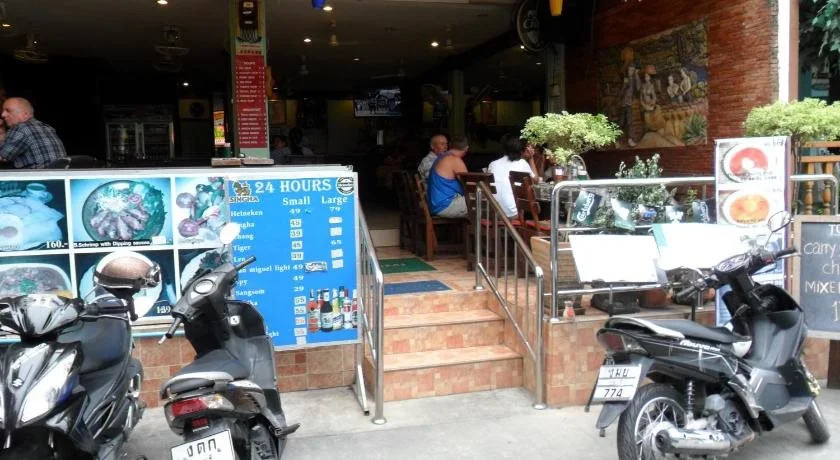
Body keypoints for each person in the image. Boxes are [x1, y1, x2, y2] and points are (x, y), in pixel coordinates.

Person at [0, 97, 67, 169]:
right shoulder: (47, 127)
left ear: (25, 114)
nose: (3, 115)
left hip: (39, 175)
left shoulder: (21, 127)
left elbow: (3, 156)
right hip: (60, 174)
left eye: (8, 111)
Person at [488, 135, 536, 218]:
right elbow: (535, 180)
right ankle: (518, 225)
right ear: (520, 148)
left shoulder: (493, 164)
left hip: (491, 213)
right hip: (511, 213)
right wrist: (531, 159)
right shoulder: (522, 163)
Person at [427, 136, 468, 218]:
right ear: (467, 148)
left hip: (437, 205)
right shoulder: (454, 160)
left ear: (450, 146)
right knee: (485, 205)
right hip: (446, 205)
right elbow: (469, 185)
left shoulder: (441, 157)